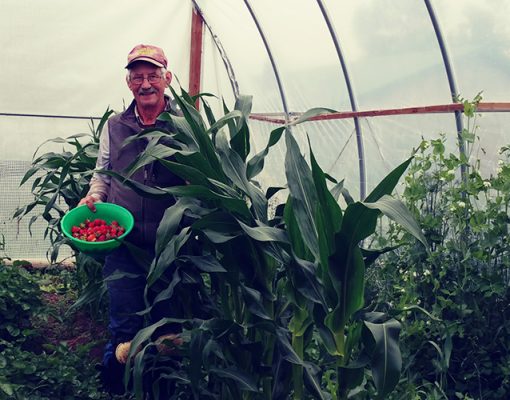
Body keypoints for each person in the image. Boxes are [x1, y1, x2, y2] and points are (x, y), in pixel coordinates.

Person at [79, 44, 184, 394]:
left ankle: (163, 387)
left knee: (168, 327)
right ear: (129, 83)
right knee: (124, 324)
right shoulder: (115, 125)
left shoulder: (184, 127)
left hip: (169, 245)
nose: (145, 83)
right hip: (122, 244)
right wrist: (95, 196)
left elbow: (200, 182)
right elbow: (103, 173)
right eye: (137, 76)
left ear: (166, 78)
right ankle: (117, 387)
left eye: (152, 75)